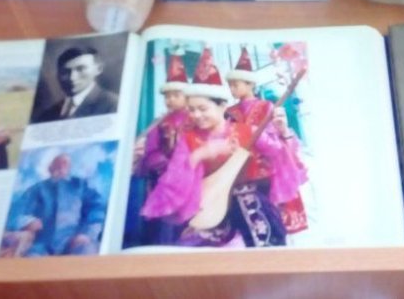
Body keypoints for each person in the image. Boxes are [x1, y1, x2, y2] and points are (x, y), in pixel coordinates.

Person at [140, 47, 306, 247]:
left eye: (203, 109)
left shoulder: (248, 131)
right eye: (191, 110)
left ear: (222, 106)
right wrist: (199, 155)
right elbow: (175, 177)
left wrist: (284, 131)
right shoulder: (189, 139)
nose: (196, 115)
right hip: (209, 210)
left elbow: (281, 154)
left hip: (253, 207)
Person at [225, 46, 309, 234]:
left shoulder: (265, 106)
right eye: (230, 85)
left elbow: (274, 138)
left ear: (250, 84)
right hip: (241, 168)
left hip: (266, 167)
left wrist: (252, 133)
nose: (232, 89)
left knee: (271, 213)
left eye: (236, 84)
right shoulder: (229, 112)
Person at [132, 46, 193, 244]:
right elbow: (151, 150)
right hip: (164, 178)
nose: (170, 100)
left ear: (186, 96)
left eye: (176, 95)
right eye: (167, 96)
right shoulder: (160, 123)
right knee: (164, 226)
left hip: (191, 178)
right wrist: (164, 165)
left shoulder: (194, 119)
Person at [10, 153, 106, 256]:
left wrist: (86, 233)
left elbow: (97, 208)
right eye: (57, 164)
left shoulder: (80, 185)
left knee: (86, 252)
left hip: (74, 241)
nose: (61, 167)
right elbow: (16, 211)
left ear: (69, 168)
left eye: (65, 164)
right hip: (41, 245)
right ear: (50, 168)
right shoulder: (37, 189)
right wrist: (26, 221)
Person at [32, 46, 118, 123]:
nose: (72, 77)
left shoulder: (112, 104)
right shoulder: (48, 114)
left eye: (80, 69)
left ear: (99, 69)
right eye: (65, 72)